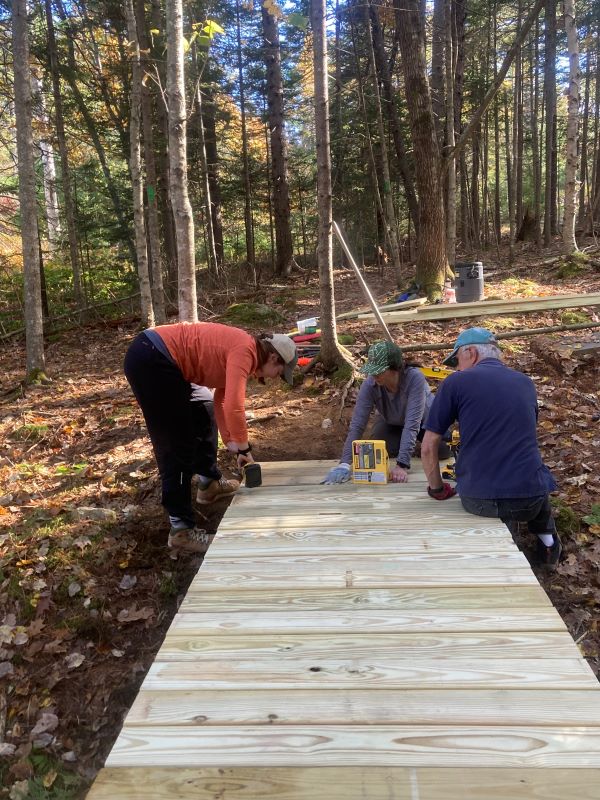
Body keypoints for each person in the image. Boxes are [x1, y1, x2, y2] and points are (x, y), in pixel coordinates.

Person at [124, 322, 297, 554]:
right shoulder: (245, 350)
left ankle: (209, 484)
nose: (277, 378)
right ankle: (181, 531)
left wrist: (233, 444)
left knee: (204, 406)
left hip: (168, 361)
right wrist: (246, 450)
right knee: (178, 444)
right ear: (274, 358)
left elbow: (222, 401)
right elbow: (236, 406)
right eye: (280, 372)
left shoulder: (247, 353)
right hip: (153, 359)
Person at [421, 326, 562, 568]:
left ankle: (508, 547)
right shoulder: (525, 382)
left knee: (497, 509)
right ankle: (548, 543)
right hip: (531, 498)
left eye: (456, 360)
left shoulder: (456, 382)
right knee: (535, 473)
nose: (456, 367)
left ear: (471, 353)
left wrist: (437, 489)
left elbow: (428, 446)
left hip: (480, 498)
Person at [322, 340, 449, 485]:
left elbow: (412, 423)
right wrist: (344, 463)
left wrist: (402, 465)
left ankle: (412, 447)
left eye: (379, 370)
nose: (374, 374)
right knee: (381, 451)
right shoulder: (370, 384)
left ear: (394, 368)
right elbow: (357, 424)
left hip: (423, 422)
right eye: (372, 370)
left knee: (442, 451)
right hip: (391, 421)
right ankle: (405, 444)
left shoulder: (415, 379)